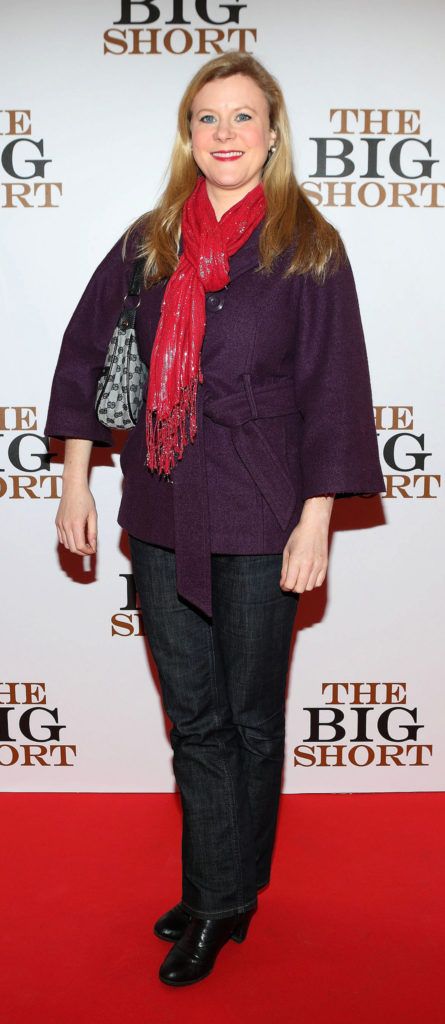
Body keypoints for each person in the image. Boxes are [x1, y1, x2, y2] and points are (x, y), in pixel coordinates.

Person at [44, 50, 386, 986]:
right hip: (158, 504)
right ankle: (213, 887)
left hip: (261, 508)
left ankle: (225, 898)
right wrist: (77, 479)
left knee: (248, 719)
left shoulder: (306, 245)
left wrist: (317, 517)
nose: (225, 133)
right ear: (188, 136)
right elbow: (88, 359)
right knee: (192, 718)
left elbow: (333, 391)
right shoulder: (149, 240)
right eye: (208, 118)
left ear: (272, 133)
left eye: (243, 117)